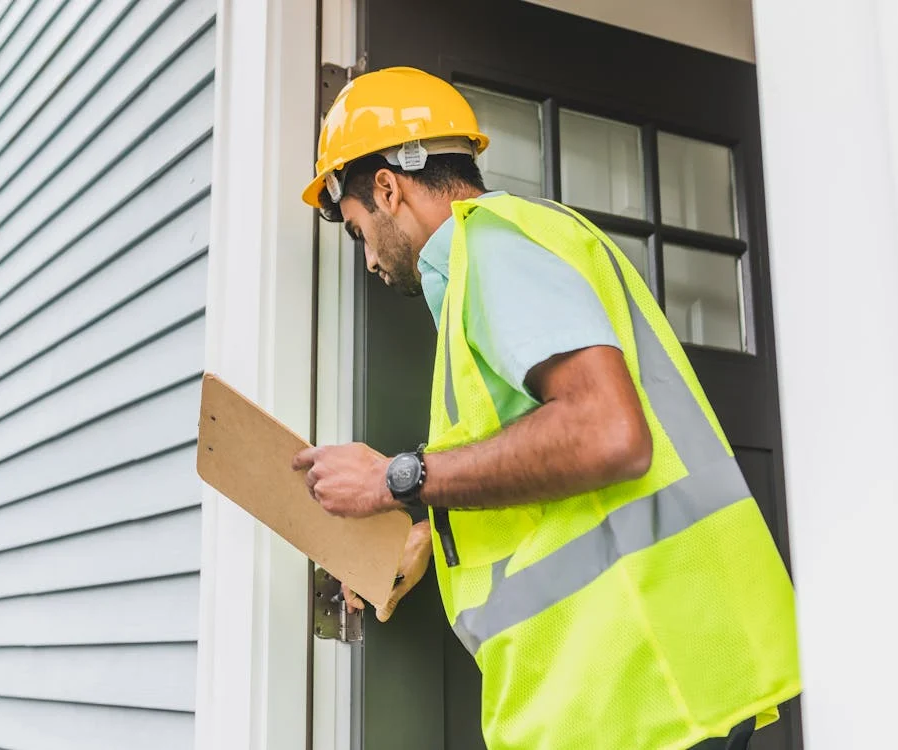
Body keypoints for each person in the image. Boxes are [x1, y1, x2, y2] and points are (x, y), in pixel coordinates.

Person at [292, 66, 801, 750]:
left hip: (640, 684)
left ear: (387, 187)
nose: (369, 263)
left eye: (357, 232)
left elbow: (607, 434)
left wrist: (393, 479)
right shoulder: (502, 255)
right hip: (635, 683)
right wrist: (421, 539)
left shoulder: (496, 248)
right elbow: (542, 468)